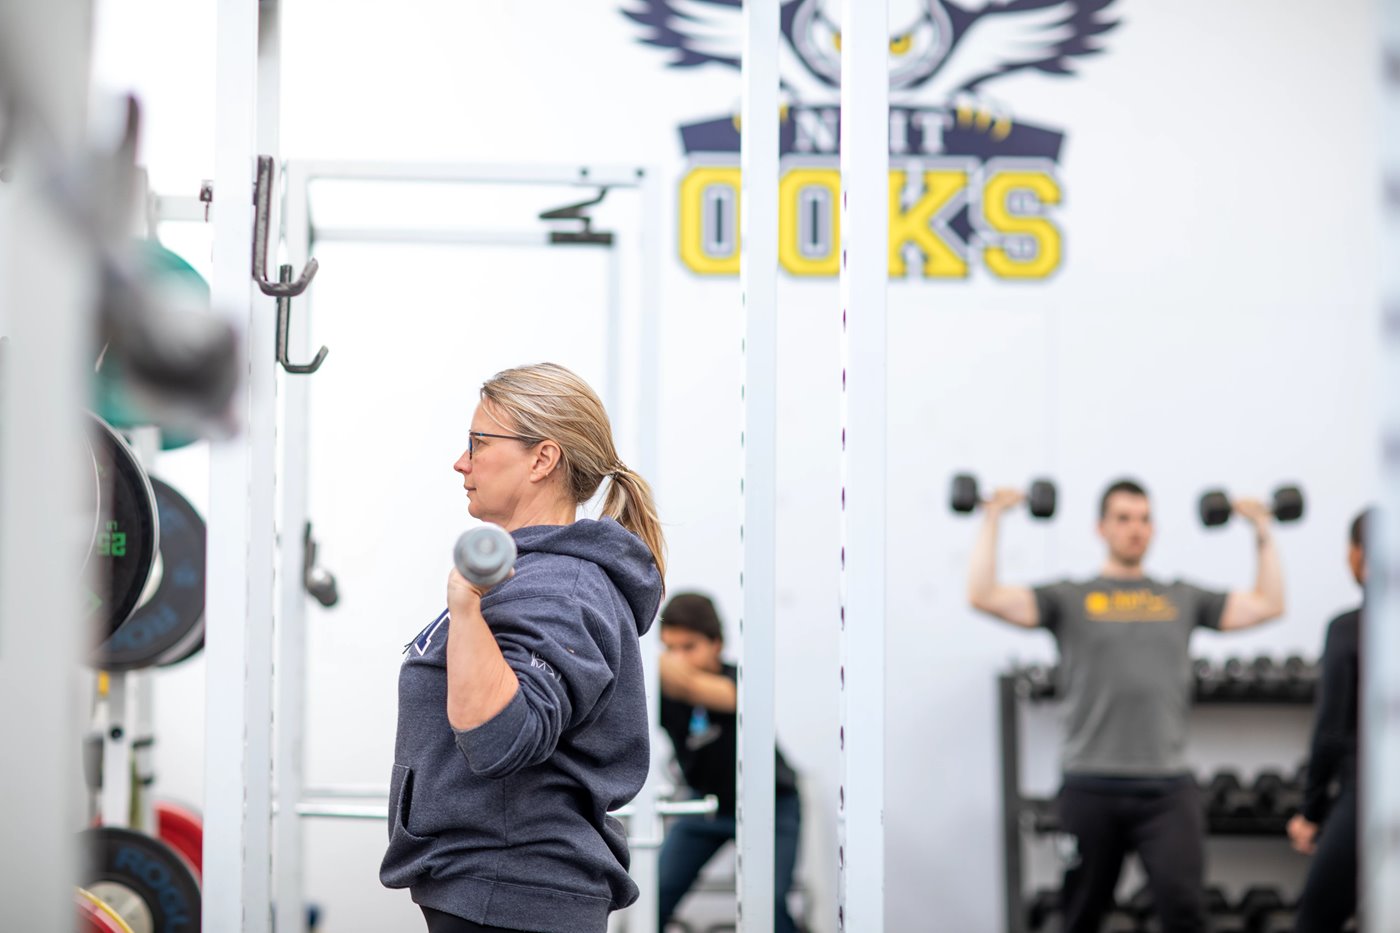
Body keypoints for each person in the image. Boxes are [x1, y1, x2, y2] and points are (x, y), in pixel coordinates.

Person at [380, 362, 666, 933]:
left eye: (477, 443)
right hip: (492, 890)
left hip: (510, 894)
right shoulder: (535, 578)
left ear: (542, 458)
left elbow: (499, 737)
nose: (461, 462)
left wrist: (464, 603)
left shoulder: (560, 587)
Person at [967, 478, 1286, 933]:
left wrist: (1262, 530)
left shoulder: (1181, 597)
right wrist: (993, 516)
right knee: (1081, 914)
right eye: (1123, 518)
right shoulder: (1069, 597)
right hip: (1091, 782)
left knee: (1186, 910)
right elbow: (983, 595)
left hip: (1167, 788)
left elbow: (1268, 605)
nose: (1135, 529)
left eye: (1144, 519)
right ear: (1102, 528)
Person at [655, 592, 802, 933]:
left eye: (688, 647)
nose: (678, 659)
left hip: (770, 806)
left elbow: (695, 687)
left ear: (716, 644)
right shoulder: (661, 690)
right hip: (704, 807)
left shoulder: (740, 683)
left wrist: (645, 651)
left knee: (769, 907)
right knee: (653, 898)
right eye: (669, 648)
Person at [1287, 509, 1369, 933]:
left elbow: (1331, 731)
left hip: (1369, 798)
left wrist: (1311, 811)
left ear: (1359, 557)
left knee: (1315, 922)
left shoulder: (1348, 629)